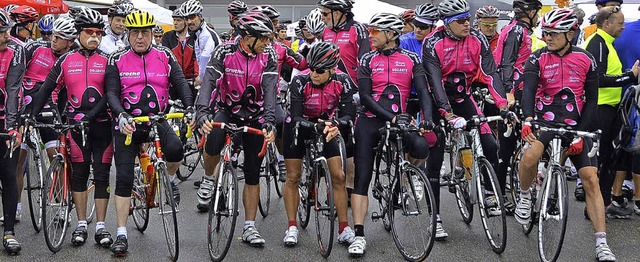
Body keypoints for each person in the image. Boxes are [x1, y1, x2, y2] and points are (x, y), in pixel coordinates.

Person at [517, 8, 617, 262]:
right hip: (544, 120)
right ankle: (526, 196)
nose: (547, 37)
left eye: (554, 33)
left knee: (590, 178)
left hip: (577, 123)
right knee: (530, 157)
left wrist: (581, 133)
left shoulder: (586, 59)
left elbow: (592, 99)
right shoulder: (537, 58)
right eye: (546, 33)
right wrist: (528, 119)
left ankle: (602, 243)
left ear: (570, 34)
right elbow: (527, 91)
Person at [348, 13, 439, 257]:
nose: (371, 35)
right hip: (370, 119)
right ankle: (359, 234)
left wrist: (427, 118)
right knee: (363, 176)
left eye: (375, 31)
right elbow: (366, 97)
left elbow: (423, 90)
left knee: (421, 147)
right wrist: (391, 118)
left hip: (400, 119)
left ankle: (404, 176)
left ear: (391, 34)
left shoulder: (411, 58)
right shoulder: (367, 59)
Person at [105, 10, 194, 256]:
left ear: (153, 34)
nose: (140, 38)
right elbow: (111, 92)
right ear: (128, 34)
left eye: (145, 32)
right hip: (129, 123)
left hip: (157, 119)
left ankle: (171, 180)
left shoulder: (164, 54)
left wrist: (189, 107)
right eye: (135, 33)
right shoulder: (117, 58)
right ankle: (121, 233)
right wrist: (121, 114)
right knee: (123, 178)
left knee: (176, 149)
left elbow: (181, 82)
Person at [422, 0, 511, 241]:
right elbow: (434, 81)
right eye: (460, 21)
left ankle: (491, 193)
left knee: (490, 144)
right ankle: (435, 219)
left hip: (464, 96)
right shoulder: (433, 42)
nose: (467, 24)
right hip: (437, 99)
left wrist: (502, 104)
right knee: (436, 157)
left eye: (468, 19)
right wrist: (447, 114)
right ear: (447, 23)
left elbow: (491, 73)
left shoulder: (477, 38)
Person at [30, 9, 115, 247]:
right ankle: (80, 225)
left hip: (101, 126)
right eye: (89, 32)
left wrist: (90, 115)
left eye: (99, 33)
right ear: (78, 33)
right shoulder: (66, 60)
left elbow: (110, 94)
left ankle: (100, 227)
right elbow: (46, 89)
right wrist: (30, 116)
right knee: (78, 176)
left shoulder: (108, 60)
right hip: (75, 126)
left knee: (101, 175)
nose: (95, 37)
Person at [196, 11, 277, 247]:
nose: (267, 43)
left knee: (252, 172)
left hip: (255, 115)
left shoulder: (268, 54)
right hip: (227, 110)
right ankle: (210, 178)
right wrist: (202, 112)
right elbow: (209, 80)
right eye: (262, 38)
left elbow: (271, 89)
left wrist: (270, 121)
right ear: (246, 36)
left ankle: (250, 227)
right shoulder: (225, 52)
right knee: (212, 139)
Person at [282, 41, 356, 247]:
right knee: (293, 176)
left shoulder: (343, 81)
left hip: (325, 125)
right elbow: (295, 116)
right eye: (311, 68)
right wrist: (313, 126)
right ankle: (292, 226)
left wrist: (336, 125)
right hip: (298, 126)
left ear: (333, 68)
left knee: (339, 176)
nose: (313, 73)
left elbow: (349, 114)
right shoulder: (299, 82)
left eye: (319, 70)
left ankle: (344, 228)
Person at [7, 17, 76, 225]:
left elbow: (69, 90)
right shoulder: (35, 48)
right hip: (26, 104)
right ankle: (16, 207)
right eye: (53, 35)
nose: (53, 40)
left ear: (70, 41)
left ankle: (63, 206)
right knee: (18, 159)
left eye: (59, 37)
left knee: (55, 156)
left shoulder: (71, 58)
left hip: (50, 106)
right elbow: (16, 72)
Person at [583, 6, 639, 219]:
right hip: (600, 110)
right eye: (620, 23)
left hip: (609, 109)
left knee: (609, 159)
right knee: (600, 160)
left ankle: (602, 203)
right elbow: (596, 79)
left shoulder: (607, 42)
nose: (624, 27)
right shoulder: (598, 43)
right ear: (607, 23)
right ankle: (595, 207)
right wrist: (629, 77)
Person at [493, 0, 542, 214]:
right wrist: (508, 91)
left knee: (519, 143)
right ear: (529, 12)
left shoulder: (518, 29)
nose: (538, 16)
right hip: (514, 93)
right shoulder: (516, 31)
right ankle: (498, 197)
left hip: (522, 90)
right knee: (507, 144)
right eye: (537, 12)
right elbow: (507, 63)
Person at [319, 0, 370, 201]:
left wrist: (364, 91)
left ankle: (349, 187)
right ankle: (333, 186)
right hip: (330, 90)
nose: (323, 18)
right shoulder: (326, 32)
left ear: (339, 13)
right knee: (327, 136)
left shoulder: (358, 30)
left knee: (349, 139)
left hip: (353, 90)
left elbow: (365, 61)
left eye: (325, 14)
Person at [0, 8, 24, 255]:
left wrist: (13, 128)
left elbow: (14, 90)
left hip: (7, 118)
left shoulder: (15, 51)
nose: (7, 35)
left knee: (8, 172)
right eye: (2, 32)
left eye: (7, 30)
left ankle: (9, 232)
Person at [181, 0, 220, 84]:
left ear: (200, 16)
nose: (189, 22)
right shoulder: (198, 34)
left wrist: (200, 78)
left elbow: (204, 58)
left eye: (192, 17)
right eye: (186, 18)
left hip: (214, 80)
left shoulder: (206, 35)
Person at [161, 8, 199, 97]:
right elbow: (166, 58)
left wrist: (197, 75)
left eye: (178, 20)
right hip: (173, 81)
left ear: (186, 21)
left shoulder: (195, 36)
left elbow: (197, 58)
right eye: (174, 20)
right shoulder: (167, 36)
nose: (175, 23)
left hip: (192, 81)